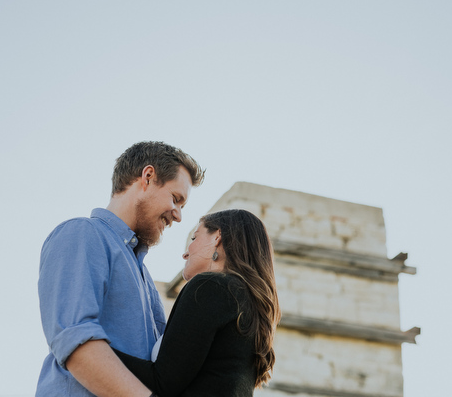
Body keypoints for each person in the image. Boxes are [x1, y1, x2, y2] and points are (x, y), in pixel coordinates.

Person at [36, 141, 205, 397]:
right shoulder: (82, 234)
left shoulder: (145, 277)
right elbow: (76, 341)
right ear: (147, 177)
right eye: (176, 198)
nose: (179, 215)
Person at [112, 209, 281, 397]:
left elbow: (162, 382)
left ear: (218, 236)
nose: (185, 253)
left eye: (194, 238)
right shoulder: (246, 301)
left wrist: (92, 348)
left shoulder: (210, 286)